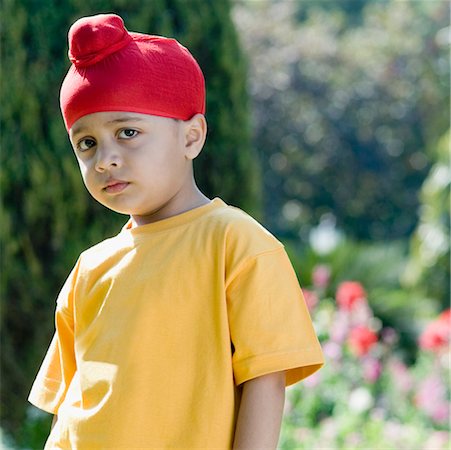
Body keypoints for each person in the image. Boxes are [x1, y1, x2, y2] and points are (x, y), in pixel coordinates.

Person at [28, 13, 324, 450]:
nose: (104, 158)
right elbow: (68, 406)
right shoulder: (89, 268)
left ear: (191, 137)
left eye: (127, 132)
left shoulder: (236, 243)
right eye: (86, 143)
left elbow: (266, 379)